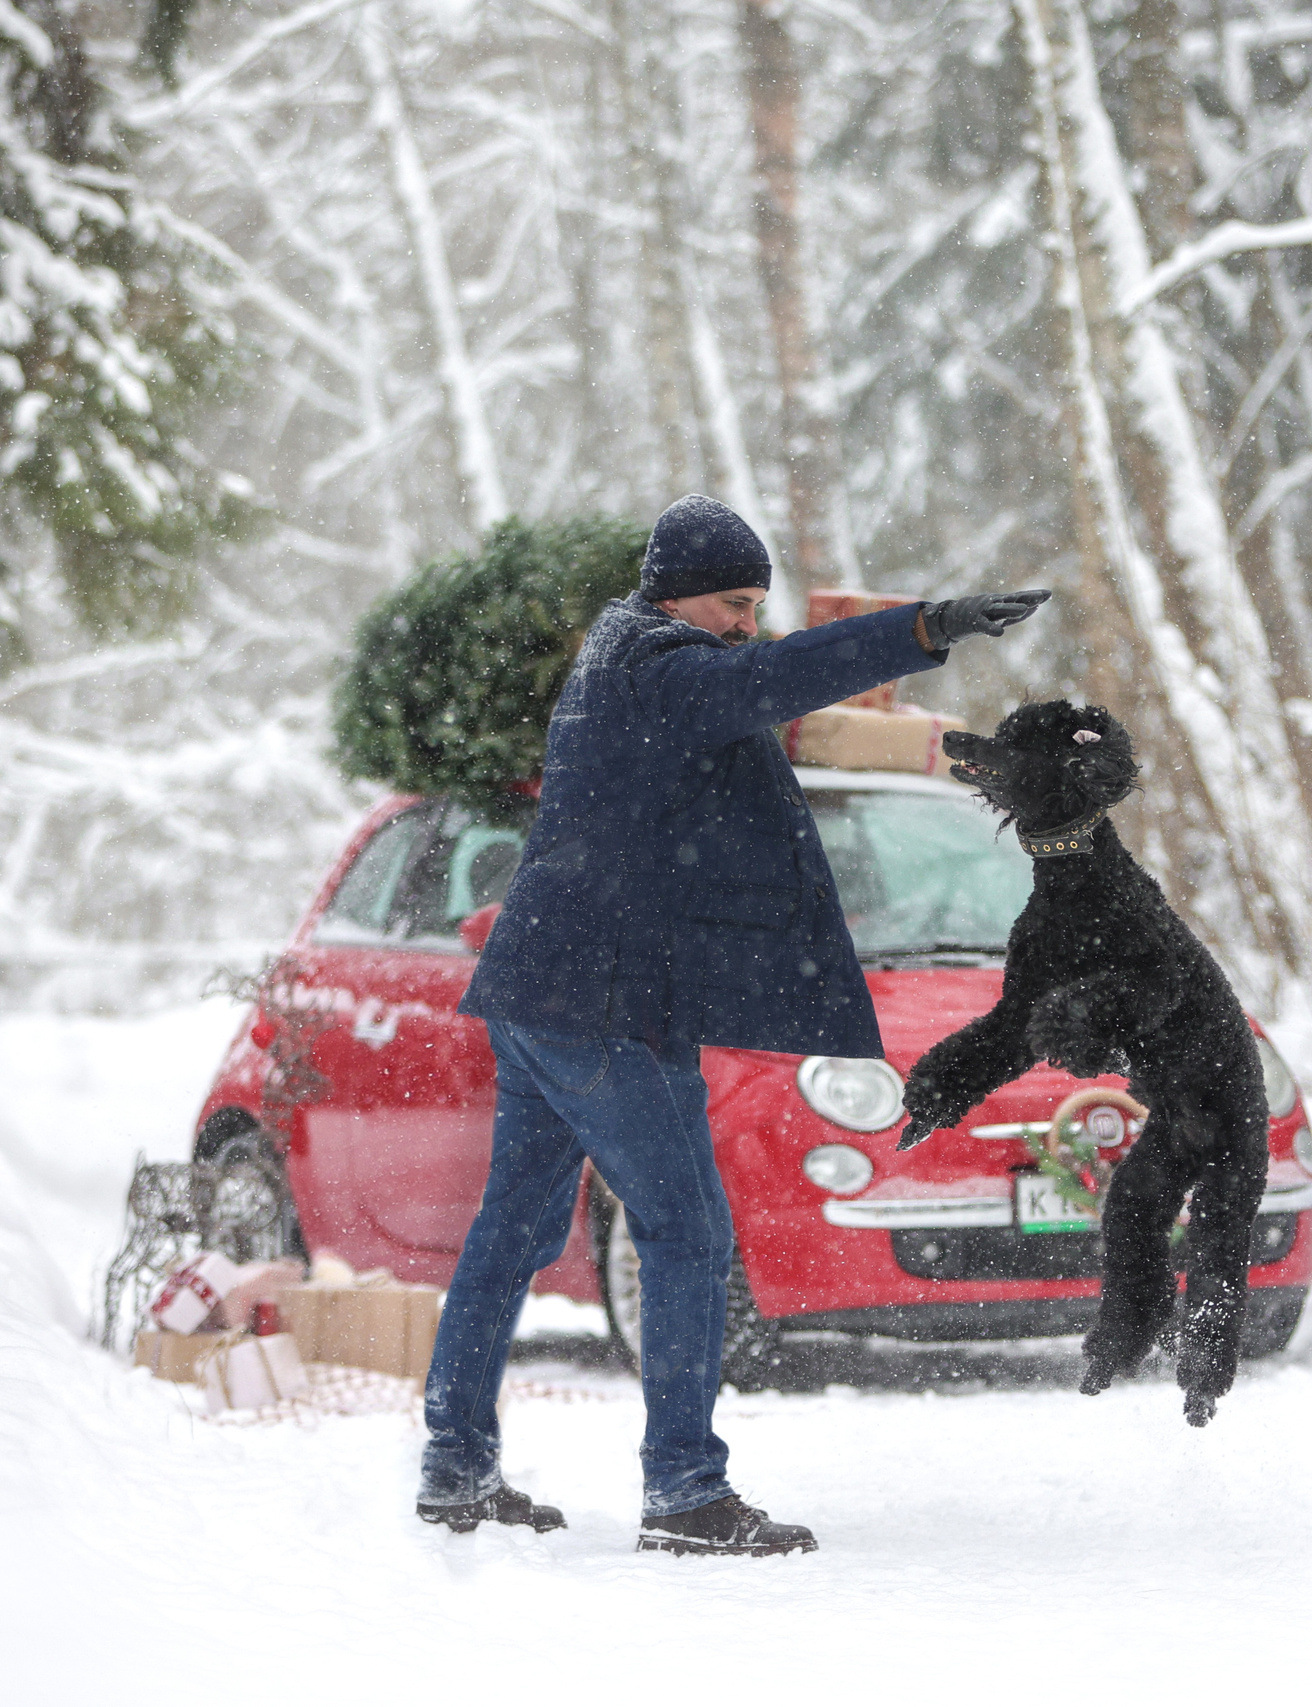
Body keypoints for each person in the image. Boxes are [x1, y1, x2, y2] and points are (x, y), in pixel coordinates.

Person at [416, 494, 1049, 1556]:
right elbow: (772, 680)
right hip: (604, 1004)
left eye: (758, 603)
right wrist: (923, 628)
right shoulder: (659, 668)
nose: (747, 622)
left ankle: (455, 1469)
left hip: (548, 991)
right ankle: (683, 1494)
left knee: (511, 1236)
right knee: (689, 1234)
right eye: (733, 601)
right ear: (678, 593)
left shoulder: (616, 660)